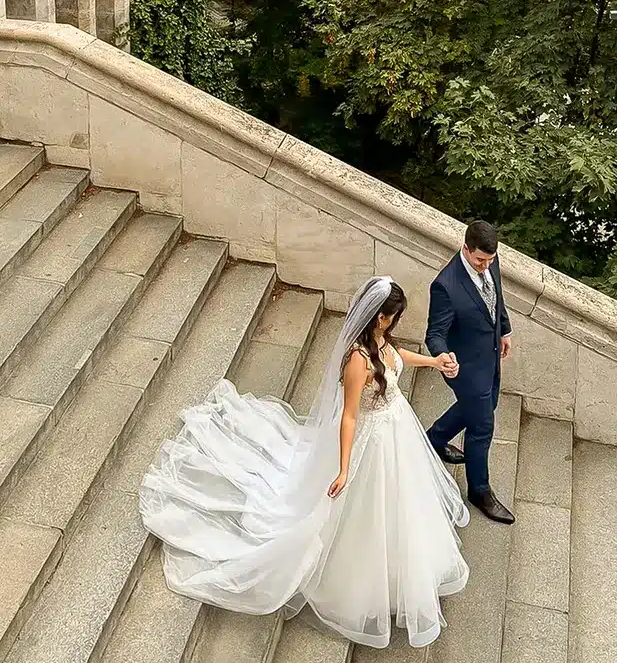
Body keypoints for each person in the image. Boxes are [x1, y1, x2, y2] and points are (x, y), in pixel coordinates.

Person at [140, 277, 470, 650]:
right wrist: (344, 468)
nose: (396, 324)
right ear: (380, 318)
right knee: (369, 508)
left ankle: (400, 571)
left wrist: (434, 361)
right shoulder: (357, 361)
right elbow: (348, 417)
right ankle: (365, 579)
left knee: (402, 503)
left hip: (397, 430)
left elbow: (395, 357)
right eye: (394, 317)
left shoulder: (379, 342)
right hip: (372, 439)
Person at [425, 220, 515, 525]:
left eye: (490, 260)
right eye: (480, 260)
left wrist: (504, 329)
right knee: (482, 427)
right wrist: (442, 355)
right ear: (465, 249)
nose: (485, 265)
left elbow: (497, 298)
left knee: (481, 407)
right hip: (464, 368)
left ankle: (433, 440)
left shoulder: (492, 259)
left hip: (490, 356)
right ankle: (479, 490)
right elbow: (434, 333)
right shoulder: (445, 286)